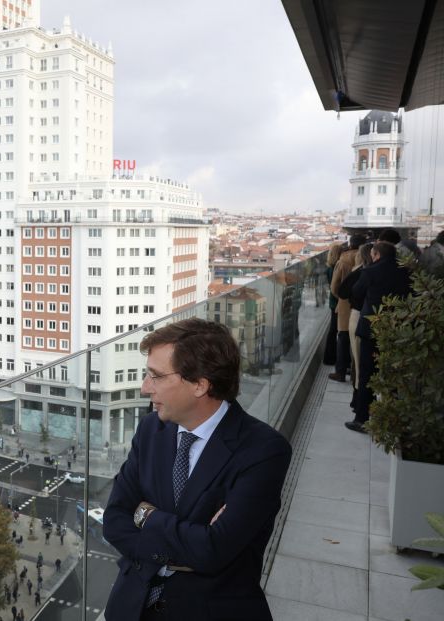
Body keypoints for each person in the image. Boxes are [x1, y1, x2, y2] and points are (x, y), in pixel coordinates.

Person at [103, 318, 291, 621]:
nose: (144, 387)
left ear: (200, 385)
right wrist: (192, 541)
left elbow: (213, 551)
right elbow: (113, 521)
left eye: (157, 376)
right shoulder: (151, 430)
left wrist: (146, 515)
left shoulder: (264, 451)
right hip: (131, 607)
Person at [347, 241, 412, 433]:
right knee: (393, 373)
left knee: (367, 373)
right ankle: (390, 418)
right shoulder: (406, 270)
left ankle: (362, 419)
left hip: (371, 328)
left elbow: (355, 292)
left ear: (376, 255)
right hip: (398, 329)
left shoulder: (370, 271)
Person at [330, 235, 365, 381]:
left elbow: (334, 286)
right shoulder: (366, 260)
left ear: (350, 244)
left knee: (343, 337)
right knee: (358, 339)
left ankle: (341, 371)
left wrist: (342, 299)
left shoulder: (342, 260)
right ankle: (354, 371)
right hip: (361, 304)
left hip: (345, 304)